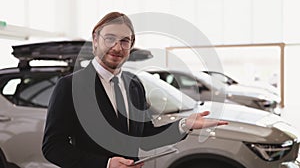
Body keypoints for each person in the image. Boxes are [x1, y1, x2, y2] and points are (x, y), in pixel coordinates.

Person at [42, 12, 228, 168]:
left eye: (125, 41)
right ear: (95, 40)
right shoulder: (70, 86)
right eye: (110, 39)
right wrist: (106, 164)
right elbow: (53, 147)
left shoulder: (134, 84)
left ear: (130, 46)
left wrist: (184, 124)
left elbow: (146, 137)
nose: (117, 47)